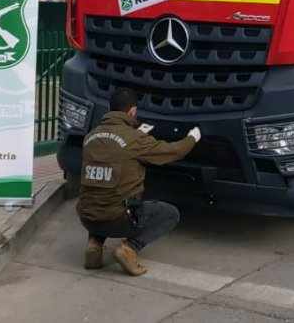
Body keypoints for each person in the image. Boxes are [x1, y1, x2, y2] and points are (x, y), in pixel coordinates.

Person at [76, 87, 201, 276]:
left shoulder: (91, 136)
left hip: (87, 219)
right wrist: (193, 137)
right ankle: (129, 248)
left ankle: (94, 245)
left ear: (110, 109)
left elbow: (115, 149)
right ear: (133, 111)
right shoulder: (136, 140)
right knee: (170, 214)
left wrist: (137, 133)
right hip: (117, 220)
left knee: (100, 192)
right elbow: (173, 151)